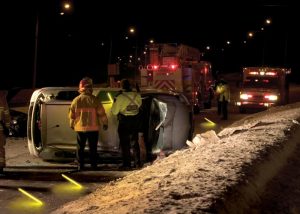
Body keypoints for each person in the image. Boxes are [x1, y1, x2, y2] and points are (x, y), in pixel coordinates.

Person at [68, 77, 108, 171]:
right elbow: (102, 114)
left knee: (80, 148)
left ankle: (80, 166)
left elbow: (72, 115)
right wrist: (105, 123)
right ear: (90, 89)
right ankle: (94, 165)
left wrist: (71, 125)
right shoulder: (95, 100)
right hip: (93, 129)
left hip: (80, 128)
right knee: (93, 148)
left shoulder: (76, 100)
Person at [111, 79, 142, 170]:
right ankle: (138, 163)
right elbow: (139, 105)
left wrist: (115, 100)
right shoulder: (137, 95)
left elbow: (114, 111)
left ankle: (127, 164)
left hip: (124, 122)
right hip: (135, 121)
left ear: (122, 86)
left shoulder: (120, 97)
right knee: (135, 142)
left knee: (125, 144)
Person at [0, 91, 11, 175]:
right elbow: (6, 114)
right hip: (0, 130)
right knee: (0, 149)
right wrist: (7, 127)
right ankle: (0, 167)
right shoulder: (2, 99)